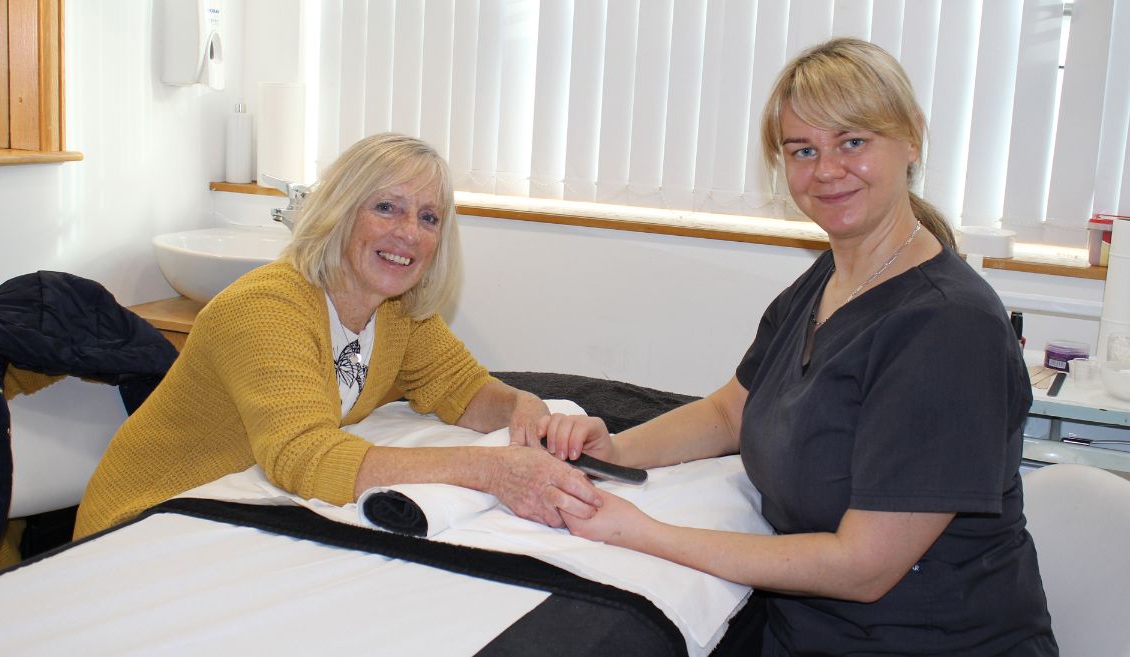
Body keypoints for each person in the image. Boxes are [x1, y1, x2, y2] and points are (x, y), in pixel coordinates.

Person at [542, 39, 1057, 656]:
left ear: (913, 139)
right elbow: (730, 412)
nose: (827, 170)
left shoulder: (949, 330)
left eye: (854, 142)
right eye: (803, 150)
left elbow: (862, 569)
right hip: (803, 632)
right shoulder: (834, 276)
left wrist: (641, 532)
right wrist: (614, 451)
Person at [75, 133, 601, 538]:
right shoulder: (266, 309)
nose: (409, 233)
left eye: (429, 217)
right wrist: (491, 471)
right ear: (340, 211)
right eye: (387, 207)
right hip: (149, 520)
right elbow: (304, 456)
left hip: (241, 506)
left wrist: (524, 410)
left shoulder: (396, 308)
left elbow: (462, 389)